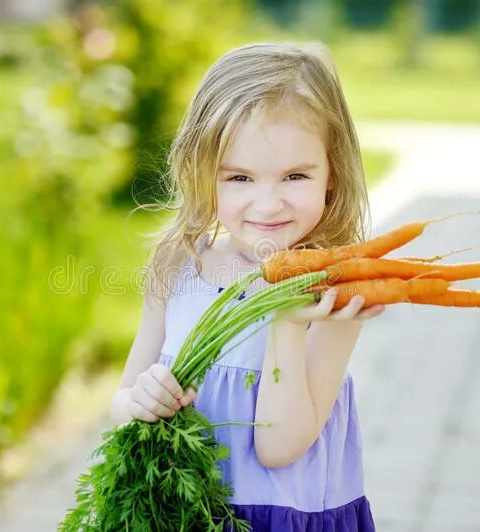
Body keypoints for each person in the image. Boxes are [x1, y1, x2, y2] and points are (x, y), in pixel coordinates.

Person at [110, 41, 384, 531]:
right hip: (180, 513)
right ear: (202, 175)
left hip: (280, 518)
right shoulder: (179, 264)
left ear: (332, 176)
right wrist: (139, 402)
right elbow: (123, 398)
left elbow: (279, 448)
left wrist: (286, 322)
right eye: (239, 178)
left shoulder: (335, 293)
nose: (268, 204)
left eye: (295, 176)